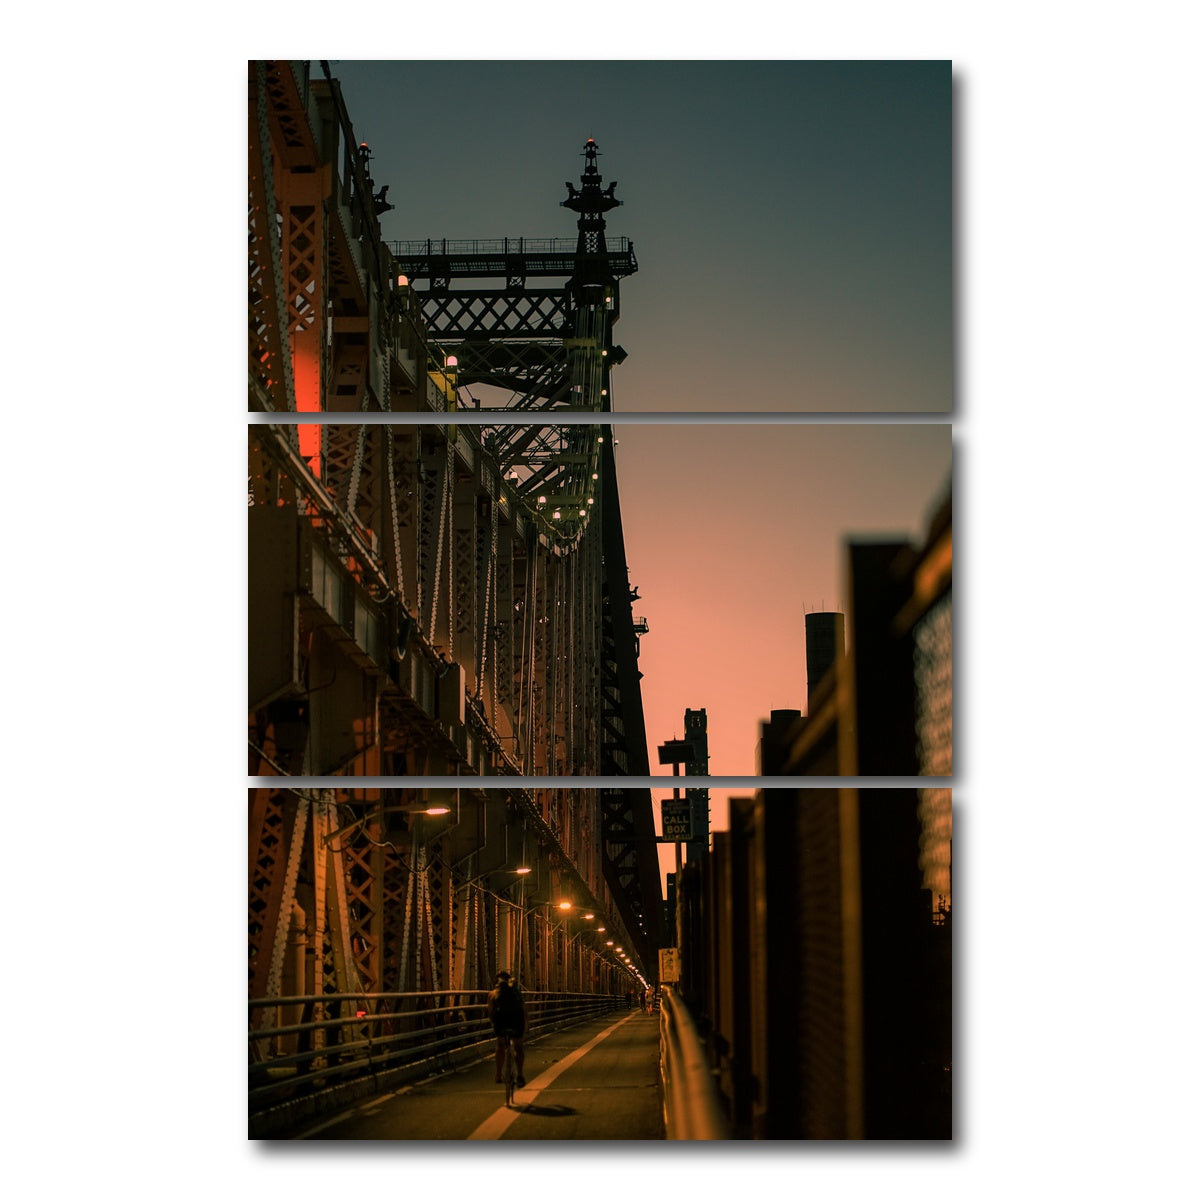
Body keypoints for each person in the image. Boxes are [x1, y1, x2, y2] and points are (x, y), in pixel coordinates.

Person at [487, 970, 526, 1087]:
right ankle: (520, 1074)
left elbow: (490, 1013)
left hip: (501, 1022)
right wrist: (526, 1024)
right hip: (517, 1021)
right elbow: (523, 1010)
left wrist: (494, 1024)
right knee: (518, 1046)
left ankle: (498, 1074)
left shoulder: (493, 994)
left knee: (500, 1045)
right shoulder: (516, 993)